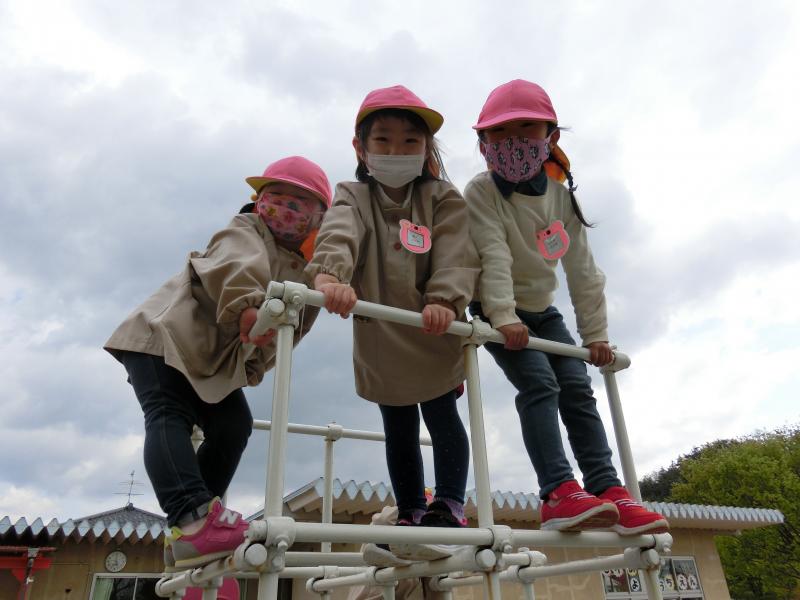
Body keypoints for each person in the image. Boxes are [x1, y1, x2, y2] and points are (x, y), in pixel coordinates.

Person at [104, 156, 332, 569]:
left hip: (206, 362)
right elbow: (236, 265)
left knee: (233, 424)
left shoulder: (307, 269)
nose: (283, 207)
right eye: (275, 195)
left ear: (319, 218)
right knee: (168, 413)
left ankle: (189, 536)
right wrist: (247, 306)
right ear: (258, 201)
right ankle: (191, 518)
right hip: (162, 338)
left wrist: (254, 365)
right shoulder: (245, 228)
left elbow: (293, 328)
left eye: (298, 201)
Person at [465, 80, 669, 535]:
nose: (513, 141)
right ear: (483, 143)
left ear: (551, 137)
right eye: (500, 132)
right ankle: (558, 490)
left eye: (526, 128)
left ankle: (608, 488)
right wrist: (503, 315)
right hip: (495, 307)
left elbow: (584, 271)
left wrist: (595, 335)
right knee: (539, 382)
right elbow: (492, 253)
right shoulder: (482, 191)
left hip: (543, 311)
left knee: (578, 386)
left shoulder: (561, 197)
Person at [306, 85, 479, 557]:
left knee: (442, 416)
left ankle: (449, 504)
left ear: (426, 149)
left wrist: (444, 298)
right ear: (360, 148)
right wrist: (330, 276)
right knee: (398, 425)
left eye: (409, 141)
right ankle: (410, 511)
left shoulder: (442, 197)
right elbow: (340, 232)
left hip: (433, 328)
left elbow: (456, 252)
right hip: (381, 333)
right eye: (383, 140)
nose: (396, 151)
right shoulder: (354, 194)